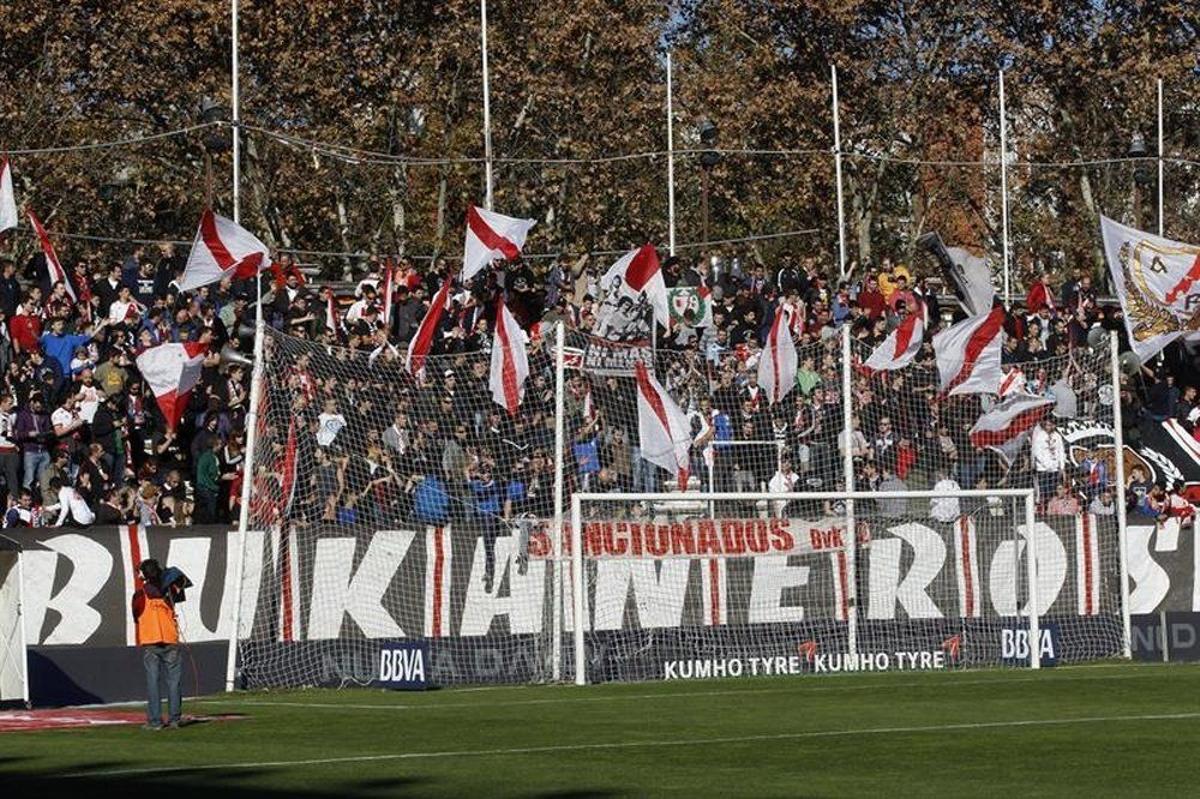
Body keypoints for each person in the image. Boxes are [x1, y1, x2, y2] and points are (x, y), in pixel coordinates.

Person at [131, 558, 183, 730]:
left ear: (144, 575)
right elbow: (180, 593)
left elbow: (136, 614)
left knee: (153, 682)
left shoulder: (140, 595)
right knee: (174, 682)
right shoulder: (169, 592)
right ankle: (175, 719)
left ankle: (155, 721)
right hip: (170, 639)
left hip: (151, 641)